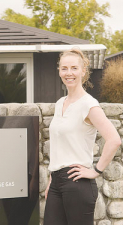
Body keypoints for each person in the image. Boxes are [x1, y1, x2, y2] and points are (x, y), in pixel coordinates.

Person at [43, 48, 121, 225]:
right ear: (59, 71)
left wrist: (96, 171)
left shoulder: (89, 105)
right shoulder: (59, 103)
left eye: (74, 68)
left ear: (83, 70)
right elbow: (59, 146)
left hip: (77, 183)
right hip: (56, 182)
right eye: (64, 68)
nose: (68, 73)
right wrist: (51, 179)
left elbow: (114, 139)